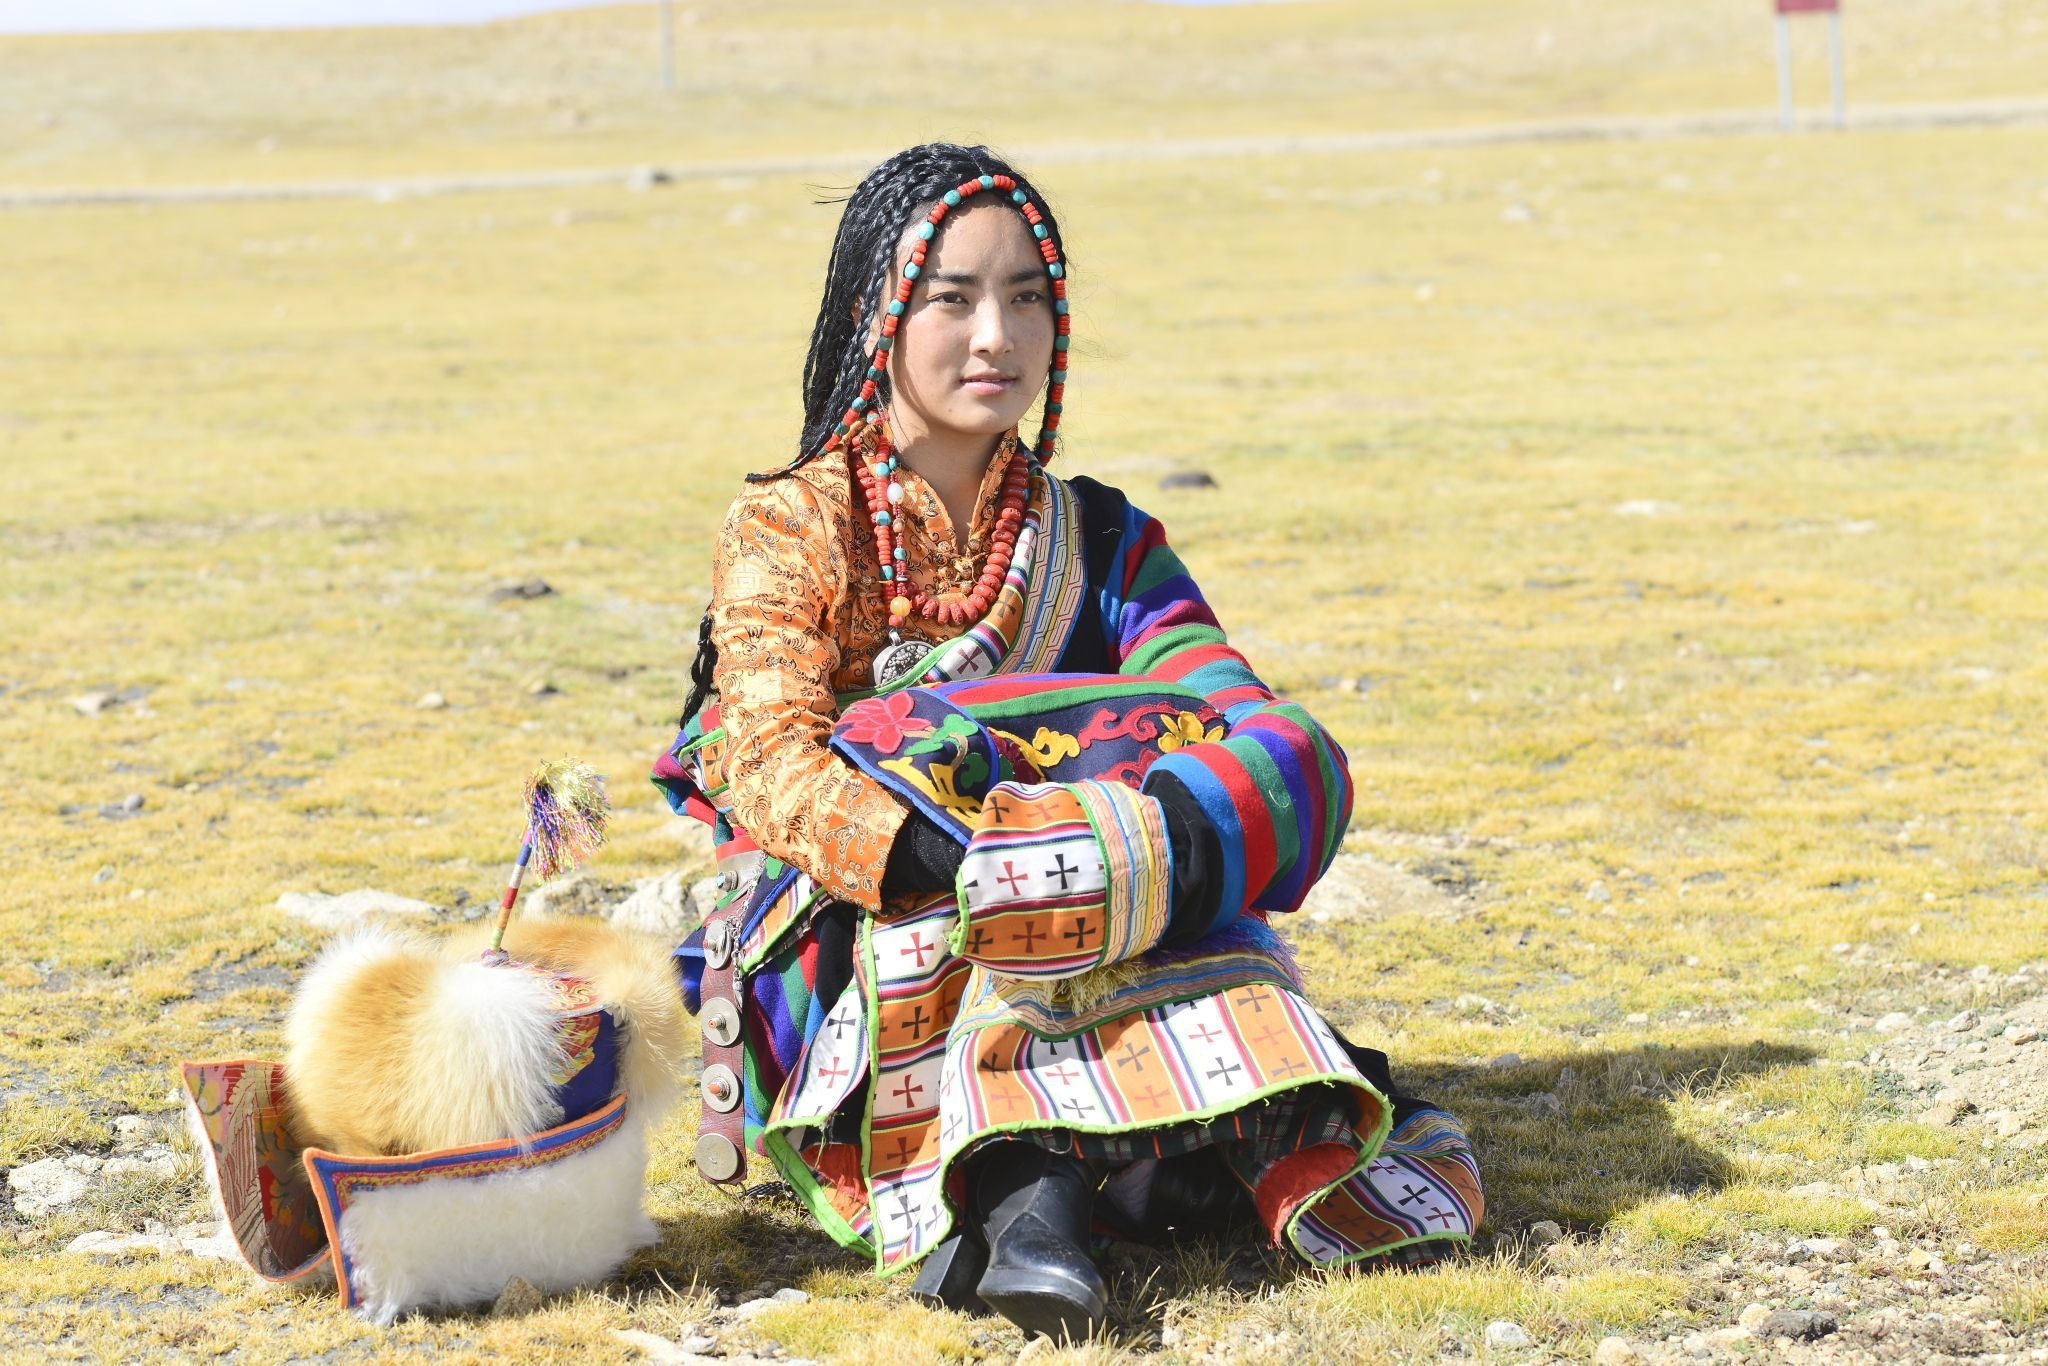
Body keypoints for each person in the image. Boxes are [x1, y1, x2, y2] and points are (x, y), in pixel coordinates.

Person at [653, 143, 1482, 1340]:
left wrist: (1125, 843)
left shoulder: (1097, 540)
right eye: (951, 298)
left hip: (1078, 898)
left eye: (1027, 297)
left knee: (1159, 843)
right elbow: (766, 761)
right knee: (966, 856)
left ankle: (1047, 1191)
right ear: (877, 317)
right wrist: (961, 859)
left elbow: (1233, 713)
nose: (996, 336)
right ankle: (1038, 1178)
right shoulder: (792, 522)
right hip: (853, 924)